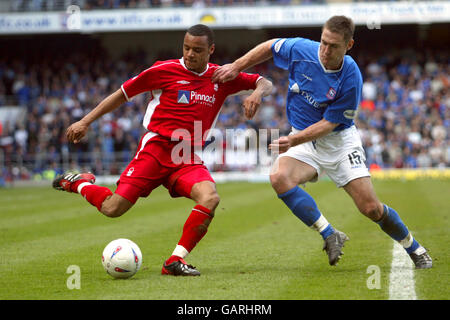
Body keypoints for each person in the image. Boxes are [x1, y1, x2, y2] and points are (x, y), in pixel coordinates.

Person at [212, 16, 432, 269]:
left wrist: (292, 139)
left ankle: (414, 248)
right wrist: (236, 66)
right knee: (279, 178)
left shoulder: (350, 77)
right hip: (304, 141)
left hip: (339, 143)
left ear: (348, 45)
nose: (325, 51)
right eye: (323, 42)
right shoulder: (302, 50)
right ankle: (330, 234)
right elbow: (272, 46)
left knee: (371, 208)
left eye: (333, 46)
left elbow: (330, 124)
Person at [53, 24, 273, 276]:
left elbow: (265, 82)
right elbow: (122, 94)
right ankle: (79, 182)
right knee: (112, 209)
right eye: (187, 48)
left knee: (210, 198)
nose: (190, 54)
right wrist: (85, 121)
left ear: (211, 50)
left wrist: (257, 93)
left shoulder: (221, 76)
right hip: (156, 149)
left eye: (198, 50)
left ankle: (174, 261)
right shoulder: (163, 70)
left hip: (186, 154)